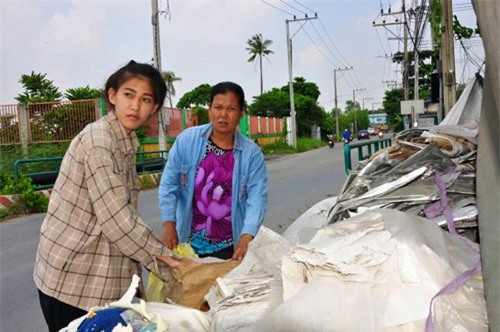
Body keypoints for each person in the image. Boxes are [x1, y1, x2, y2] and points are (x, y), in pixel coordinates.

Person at [33, 60, 183, 332]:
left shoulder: (123, 141)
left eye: (145, 99)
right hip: (74, 283)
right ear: (112, 96)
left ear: (155, 108)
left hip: (97, 278)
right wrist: (170, 262)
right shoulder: (100, 141)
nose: (135, 106)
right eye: (128, 95)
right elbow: (119, 221)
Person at [158, 81, 268, 261]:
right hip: (188, 244)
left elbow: (257, 199)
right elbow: (169, 184)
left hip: (231, 248)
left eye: (231, 109)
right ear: (209, 109)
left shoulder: (251, 154)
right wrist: (169, 224)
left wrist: (247, 236)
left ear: (241, 112)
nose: (223, 115)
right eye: (218, 107)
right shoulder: (187, 141)